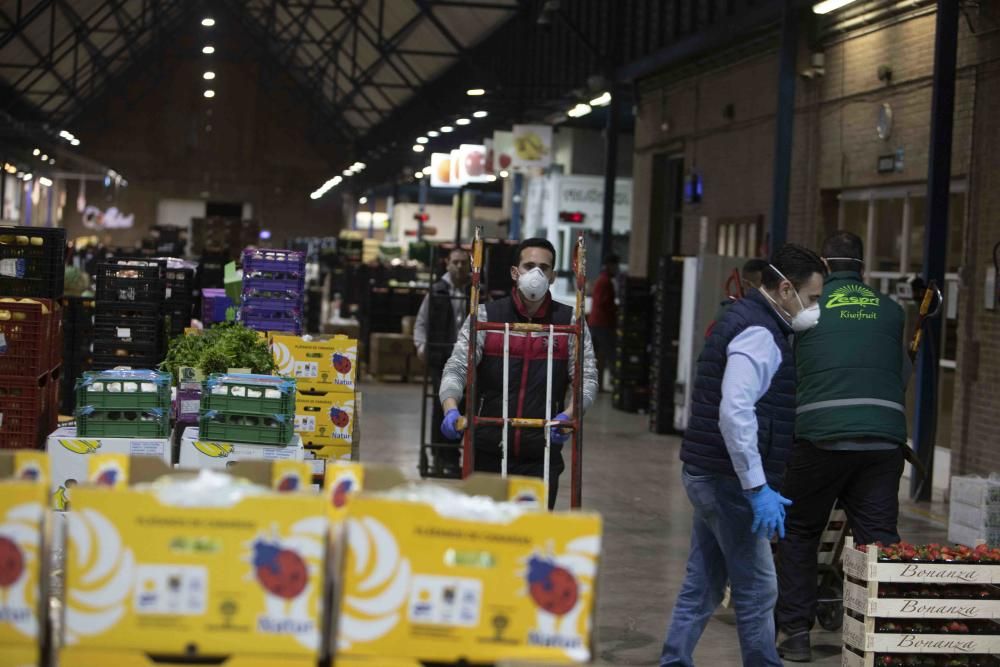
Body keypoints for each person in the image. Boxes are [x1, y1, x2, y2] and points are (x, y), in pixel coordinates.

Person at [660, 243, 826, 667]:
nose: (815, 309)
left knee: (705, 581)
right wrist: (755, 486)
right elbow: (735, 413)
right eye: (812, 298)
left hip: (709, 470)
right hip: (727, 478)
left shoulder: (748, 318)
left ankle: (674, 659)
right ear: (785, 289)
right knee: (758, 589)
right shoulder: (759, 332)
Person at [775, 232, 908, 662]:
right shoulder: (891, 310)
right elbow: (901, 374)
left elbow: (788, 371)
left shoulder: (807, 310)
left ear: (824, 270)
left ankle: (796, 633)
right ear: (862, 268)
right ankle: (884, 634)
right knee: (877, 540)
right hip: (883, 441)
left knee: (799, 531)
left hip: (820, 437)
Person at [438, 237, 598, 509]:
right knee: (482, 538)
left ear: (553, 276)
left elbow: (587, 379)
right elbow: (457, 367)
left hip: (541, 456)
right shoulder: (487, 316)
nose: (536, 274)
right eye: (529, 265)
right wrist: (451, 408)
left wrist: (568, 416)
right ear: (515, 272)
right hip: (486, 452)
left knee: (528, 542)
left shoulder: (569, 322)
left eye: (544, 268)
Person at [414, 247, 471, 475]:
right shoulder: (436, 292)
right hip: (441, 358)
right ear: (447, 264)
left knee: (466, 406)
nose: (459, 267)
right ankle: (440, 456)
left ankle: (453, 456)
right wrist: (421, 346)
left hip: (468, 361)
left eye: (463, 263)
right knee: (442, 407)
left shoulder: (475, 292)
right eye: (455, 262)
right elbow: (421, 322)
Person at [705, 258, 769, 338]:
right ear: (747, 284)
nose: (769, 290)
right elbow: (712, 341)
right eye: (763, 286)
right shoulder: (730, 312)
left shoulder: (773, 309)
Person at [587, 253, 619, 392]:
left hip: (597, 322)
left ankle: (596, 384)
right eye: (616, 265)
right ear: (610, 266)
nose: (617, 269)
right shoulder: (605, 282)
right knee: (609, 354)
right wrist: (615, 309)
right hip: (602, 324)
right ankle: (615, 383)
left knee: (597, 356)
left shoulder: (602, 280)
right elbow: (603, 302)